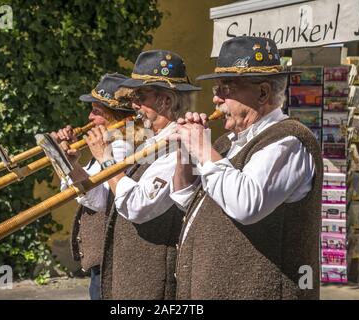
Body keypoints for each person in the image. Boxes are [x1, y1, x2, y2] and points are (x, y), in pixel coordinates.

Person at [169, 36, 323, 299]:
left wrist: (203, 149)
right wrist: (185, 153)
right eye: (216, 89)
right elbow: (186, 200)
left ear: (262, 93)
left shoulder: (289, 140)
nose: (215, 99)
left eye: (225, 89)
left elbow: (246, 204)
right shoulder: (225, 144)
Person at [75, 50, 200, 299]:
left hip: (155, 282)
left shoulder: (180, 144)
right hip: (134, 277)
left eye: (140, 97)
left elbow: (137, 205)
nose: (133, 105)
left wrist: (106, 159)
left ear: (165, 101)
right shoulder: (150, 143)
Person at [51, 73, 134, 300]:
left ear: (118, 116)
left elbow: (98, 200)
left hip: (113, 260)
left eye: (97, 112)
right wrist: (62, 157)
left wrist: (70, 163)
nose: (89, 117)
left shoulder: (122, 148)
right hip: (103, 260)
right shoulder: (111, 145)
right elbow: (72, 189)